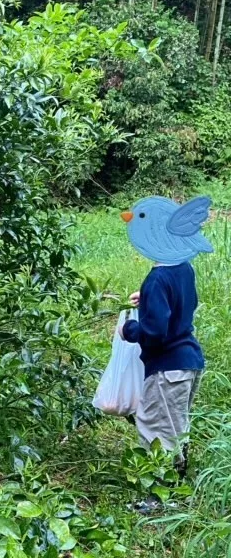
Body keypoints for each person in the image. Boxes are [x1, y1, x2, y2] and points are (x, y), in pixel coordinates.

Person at [117, 195, 213, 505]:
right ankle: (176, 488)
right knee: (175, 424)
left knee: (156, 426)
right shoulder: (182, 268)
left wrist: (129, 330)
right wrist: (146, 298)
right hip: (189, 360)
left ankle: (160, 498)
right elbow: (181, 303)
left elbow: (155, 333)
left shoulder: (157, 278)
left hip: (167, 366)